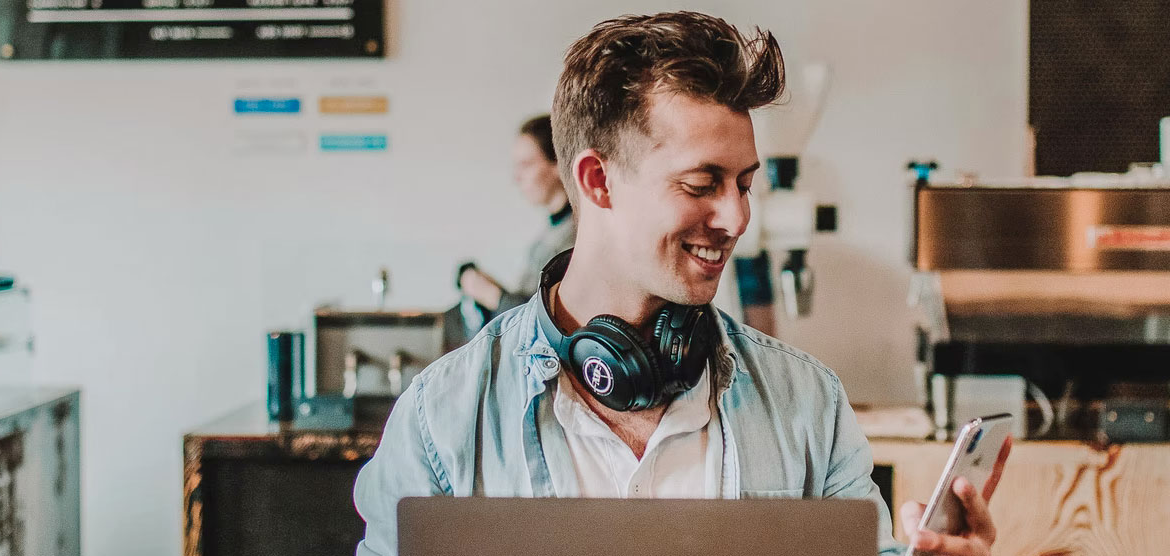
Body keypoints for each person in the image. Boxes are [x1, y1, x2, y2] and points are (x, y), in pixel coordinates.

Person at [353, 12, 1009, 556]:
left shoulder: (808, 401)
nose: (736, 217)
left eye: (745, 184)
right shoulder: (442, 418)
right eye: (702, 184)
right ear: (597, 181)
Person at [457, 115, 577, 316]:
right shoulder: (553, 231)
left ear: (558, 164)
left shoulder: (576, 236)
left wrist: (489, 293)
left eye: (526, 164)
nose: (517, 177)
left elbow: (544, 321)